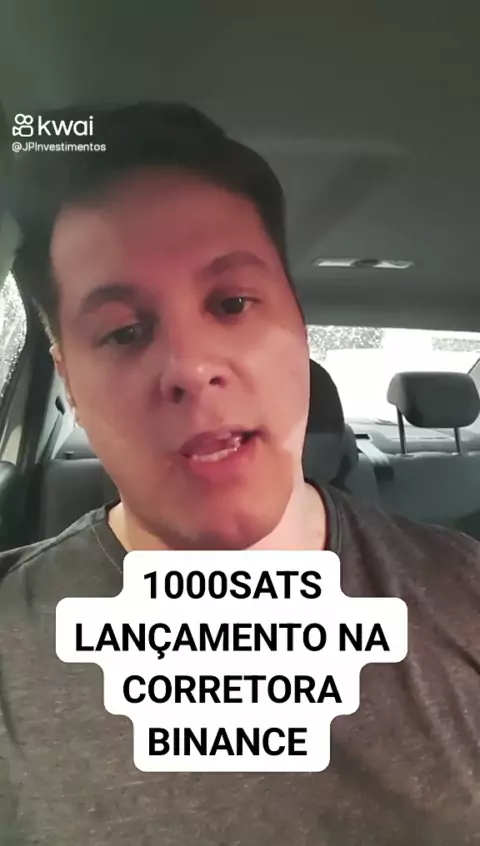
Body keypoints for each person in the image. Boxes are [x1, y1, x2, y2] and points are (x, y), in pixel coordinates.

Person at [0, 102, 478, 846]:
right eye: (124, 332)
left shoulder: (466, 598)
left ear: (301, 329)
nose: (190, 368)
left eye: (231, 303)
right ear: (70, 383)